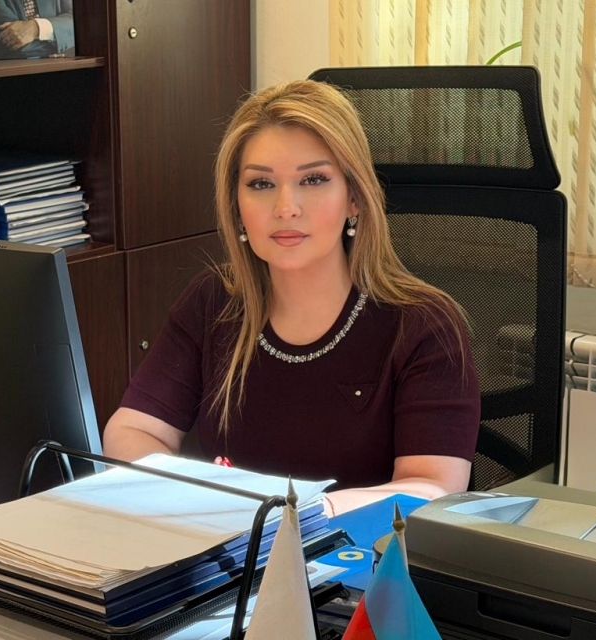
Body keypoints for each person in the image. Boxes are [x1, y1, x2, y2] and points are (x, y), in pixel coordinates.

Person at [102, 80, 481, 516]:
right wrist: (198, 504)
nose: (286, 207)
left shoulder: (424, 326)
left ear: (354, 198)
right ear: (236, 205)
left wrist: (292, 518)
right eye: (261, 183)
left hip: (358, 553)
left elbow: (431, 488)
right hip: (231, 545)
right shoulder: (214, 302)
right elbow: (131, 430)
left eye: (313, 179)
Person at [0, 0, 74, 60]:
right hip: (8, 78)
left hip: (58, 69)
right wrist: (61, 39)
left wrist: (37, 27)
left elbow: (76, 21)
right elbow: (14, 45)